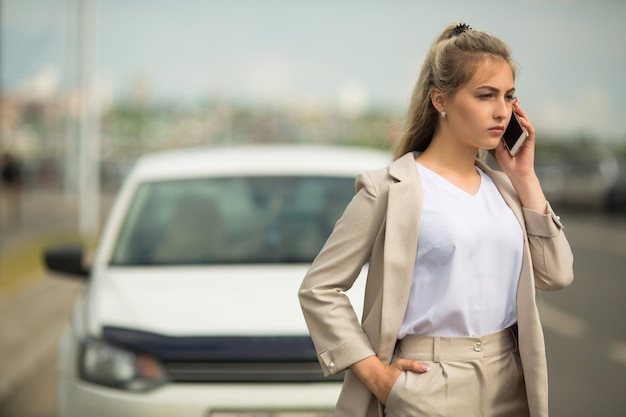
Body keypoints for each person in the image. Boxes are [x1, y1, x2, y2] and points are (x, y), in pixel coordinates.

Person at [298, 23, 574, 417]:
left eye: (509, 96)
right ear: (440, 100)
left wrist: (525, 176)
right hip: (427, 383)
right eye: (485, 95)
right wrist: (377, 377)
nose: (502, 111)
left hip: (512, 380)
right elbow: (320, 289)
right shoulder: (390, 189)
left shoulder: (508, 191)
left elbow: (557, 274)